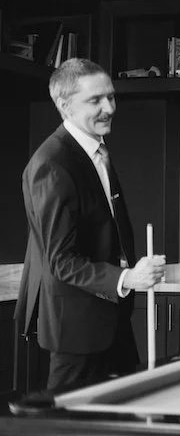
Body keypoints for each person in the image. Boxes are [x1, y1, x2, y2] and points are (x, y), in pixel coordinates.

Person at [17, 58, 166, 392]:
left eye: (111, 97)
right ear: (65, 105)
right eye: (95, 100)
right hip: (77, 332)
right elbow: (61, 261)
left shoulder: (96, 150)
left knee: (124, 424)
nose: (109, 107)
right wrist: (128, 277)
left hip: (112, 320)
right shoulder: (52, 165)